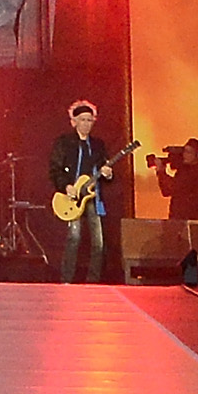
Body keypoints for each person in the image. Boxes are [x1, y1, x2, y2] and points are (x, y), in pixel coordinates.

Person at [49, 99, 116, 285]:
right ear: (74, 122)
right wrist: (66, 186)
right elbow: (54, 169)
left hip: (92, 196)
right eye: (83, 120)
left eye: (90, 120)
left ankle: (93, 281)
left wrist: (108, 174)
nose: (86, 124)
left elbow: (104, 169)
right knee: (74, 237)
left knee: (98, 242)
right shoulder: (64, 143)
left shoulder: (97, 145)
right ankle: (67, 279)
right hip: (72, 196)